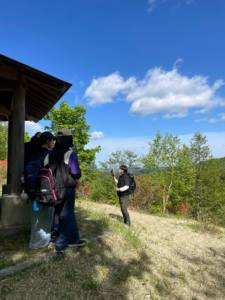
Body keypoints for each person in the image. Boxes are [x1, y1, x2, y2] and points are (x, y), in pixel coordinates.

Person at [43, 128, 86, 253]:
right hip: (67, 189)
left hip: (51, 189)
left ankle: (74, 240)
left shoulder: (48, 154)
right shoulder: (70, 153)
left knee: (67, 214)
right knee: (64, 215)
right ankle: (60, 246)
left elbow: (45, 170)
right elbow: (76, 173)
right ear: (69, 139)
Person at [29, 132, 56, 249]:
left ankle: (33, 241)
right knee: (45, 216)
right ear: (47, 141)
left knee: (35, 215)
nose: (53, 143)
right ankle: (41, 243)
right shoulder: (48, 154)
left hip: (33, 189)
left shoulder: (34, 152)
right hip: (44, 190)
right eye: (52, 140)